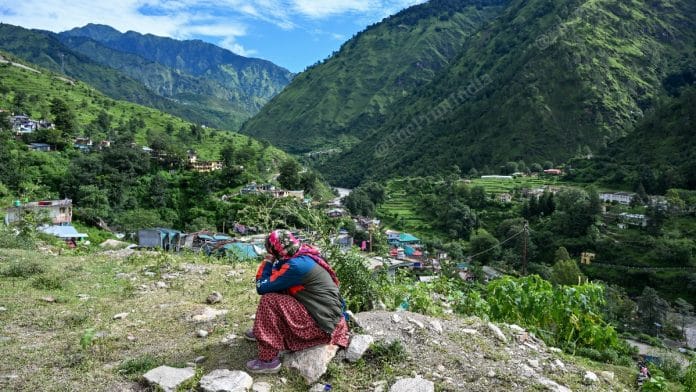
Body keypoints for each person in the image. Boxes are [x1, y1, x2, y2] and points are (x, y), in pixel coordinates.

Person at [245, 230, 349, 373]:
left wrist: (268, 260)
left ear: (275, 250)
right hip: (325, 316)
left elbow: (262, 286)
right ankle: (263, 331)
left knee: (269, 300)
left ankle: (268, 360)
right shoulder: (301, 253)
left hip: (323, 326)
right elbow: (275, 277)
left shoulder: (296, 266)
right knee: (278, 287)